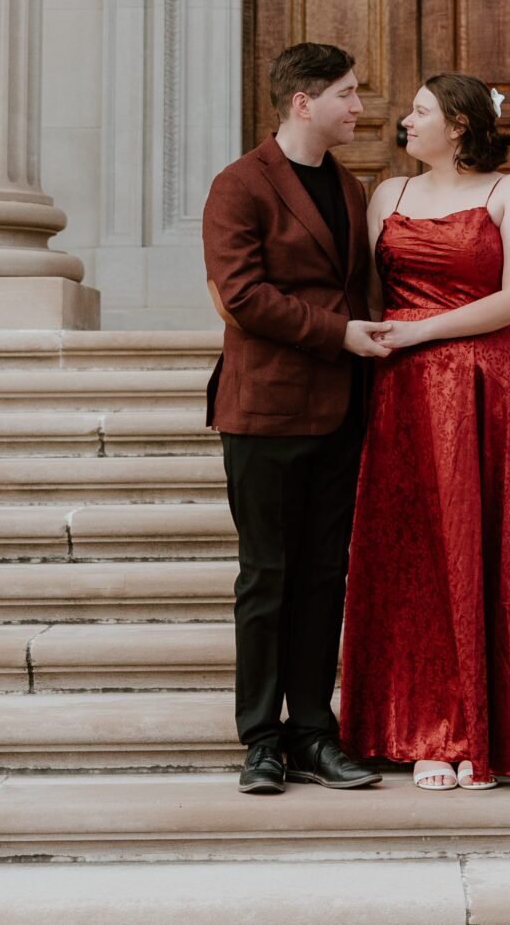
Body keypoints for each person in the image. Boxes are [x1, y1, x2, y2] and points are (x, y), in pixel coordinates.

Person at [338, 72, 510, 790]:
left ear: (458, 126)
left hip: (485, 379)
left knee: (478, 541)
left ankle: (477, 729)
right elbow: (370, 295)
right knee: (415, 549)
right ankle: (423, 724)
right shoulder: (385, 197)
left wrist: (422, 330)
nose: (405, 119)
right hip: (400, 387)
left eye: (420, 110)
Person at [201, 42, 394, 795]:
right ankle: (261, 740)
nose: (359, 106)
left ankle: (314, 730)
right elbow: (241, 294)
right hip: (264, 412)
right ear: (302, 102)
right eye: (346, 93)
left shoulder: (350, 187)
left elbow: (360, 288)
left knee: (323, 575)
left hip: (341, 410)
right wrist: (337, 332)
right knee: (267, 577)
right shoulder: (239, 184)